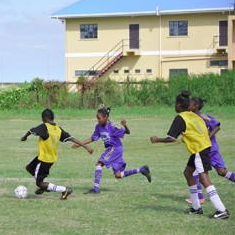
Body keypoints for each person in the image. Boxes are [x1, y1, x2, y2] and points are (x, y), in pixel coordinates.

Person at [150, 90, 229, 219]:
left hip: (200, 149)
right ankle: (196, 207)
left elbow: (171, 138)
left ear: (179, 105)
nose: (174, 106)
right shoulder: (194, 115)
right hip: (203, 147)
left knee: (204, 178)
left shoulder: (181, 117)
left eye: (175, 103)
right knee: (188, 173)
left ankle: (221, 210)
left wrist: (157, 139)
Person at [72, 107, 151, 194]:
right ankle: (142, 170)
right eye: (97, 118)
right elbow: (93, 138)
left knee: (99, 164)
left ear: (105, 117)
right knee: (118, 175)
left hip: (115, 148)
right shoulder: (98, 127)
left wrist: (125, 125)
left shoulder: (112, 127)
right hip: (114, 149)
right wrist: (80, 144)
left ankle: (96, 189)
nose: (97, 120)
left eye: (99, 118)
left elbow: (127, 132)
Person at [21, 108, 93, 200]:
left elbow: (31, 130)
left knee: (39, 183)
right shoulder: (58, 129)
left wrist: (24, 137)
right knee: (29, 167)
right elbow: (72, 138)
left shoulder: (45, 126)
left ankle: (64, 190)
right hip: (48, 158)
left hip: (44, 159)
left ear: (45, 118)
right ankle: (44, 187)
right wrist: (86, 147)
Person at [185, 97, 235, 204]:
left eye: (189, 104)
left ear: (196, 106)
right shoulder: (190, 117)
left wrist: (208, 137)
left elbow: (217, 126)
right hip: (201, 149)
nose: (187, 106)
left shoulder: (202, 116)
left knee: (222, 172)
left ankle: (200, 198)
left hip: (210, 149)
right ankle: (200, 197)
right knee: (194, 171)